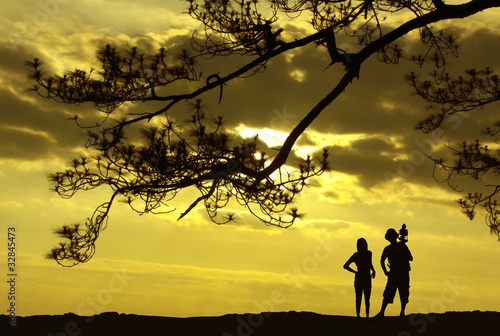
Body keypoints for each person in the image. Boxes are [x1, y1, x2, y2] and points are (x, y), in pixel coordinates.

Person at [374, 228, 413, 320]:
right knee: (400, 293)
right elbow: (410, 258)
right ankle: (401, 312)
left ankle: (383, 312)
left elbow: (382, 261)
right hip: (400, 274)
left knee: (392, 293)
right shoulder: (401, 246)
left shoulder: (389, 248)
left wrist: (385, 271)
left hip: (396, 274)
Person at [343, 238, 376, 319]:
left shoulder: (366, 254)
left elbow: (370, 264)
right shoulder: (361, 254)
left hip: (364, 277)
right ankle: (361, 315)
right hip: (363, 277)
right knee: (361, 298)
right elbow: (345, 266)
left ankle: (364, 315)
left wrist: (373, 270)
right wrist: (355, 272)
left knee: (363, 298)